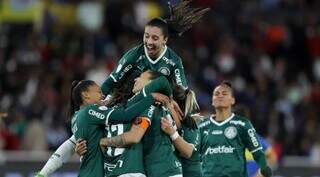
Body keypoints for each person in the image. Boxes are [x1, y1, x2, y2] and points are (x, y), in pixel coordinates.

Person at [101, 1, 210, 97]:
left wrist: (157, 88)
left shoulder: (174, 61)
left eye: (155, 38)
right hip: (130, 103)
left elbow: (182, 93)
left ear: (165, 40)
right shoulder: (134, 55)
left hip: (160, 106)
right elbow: (111, 82)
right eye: (146, 36)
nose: (149, 42)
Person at [100, 70, 185, 177]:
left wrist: (104, 141)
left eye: (140, 77)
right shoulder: (165, 105)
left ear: (151, 83)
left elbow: (135, 136)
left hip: (161, 170)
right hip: (170, 168)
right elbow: (179, 127)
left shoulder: (149, 105)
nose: (136, 79)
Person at [198, 81, 272, 177]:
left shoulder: (243, 124)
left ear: (232, 100)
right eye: (216, 94)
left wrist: (263, 169)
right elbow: (193, 157)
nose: (220, 96)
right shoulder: (202, 126)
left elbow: (258, 153)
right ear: (212, 101)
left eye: (224, 94)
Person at [160, 84, 203, 177]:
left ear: (175, 106)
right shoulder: (165, 121)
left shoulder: (190, 125)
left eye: (166, 106)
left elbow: (188, 152)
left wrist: (172, 133)